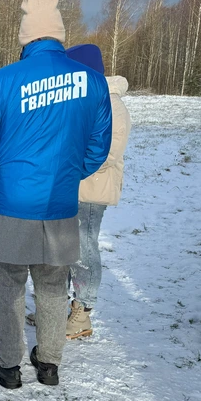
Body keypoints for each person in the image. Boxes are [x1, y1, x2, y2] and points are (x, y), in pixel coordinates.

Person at [0, 0, 112, 389]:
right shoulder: (93, 82)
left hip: (7, 203)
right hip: (60, 205)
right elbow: (98, 148)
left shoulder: (2, 81)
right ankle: (48, 364)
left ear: (26, 36)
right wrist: (67, 174)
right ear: (59, 35)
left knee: (9, 285)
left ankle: (9, 364)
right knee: (52, 287)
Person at [64, 44, 131, 339]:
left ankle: (83, 312)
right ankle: (62, 307)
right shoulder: (85, 100)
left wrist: (67, 163)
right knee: (66, 249)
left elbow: (108, 154)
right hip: (71, 187)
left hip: (91, 191)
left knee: (83, 249)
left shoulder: (112, 105)